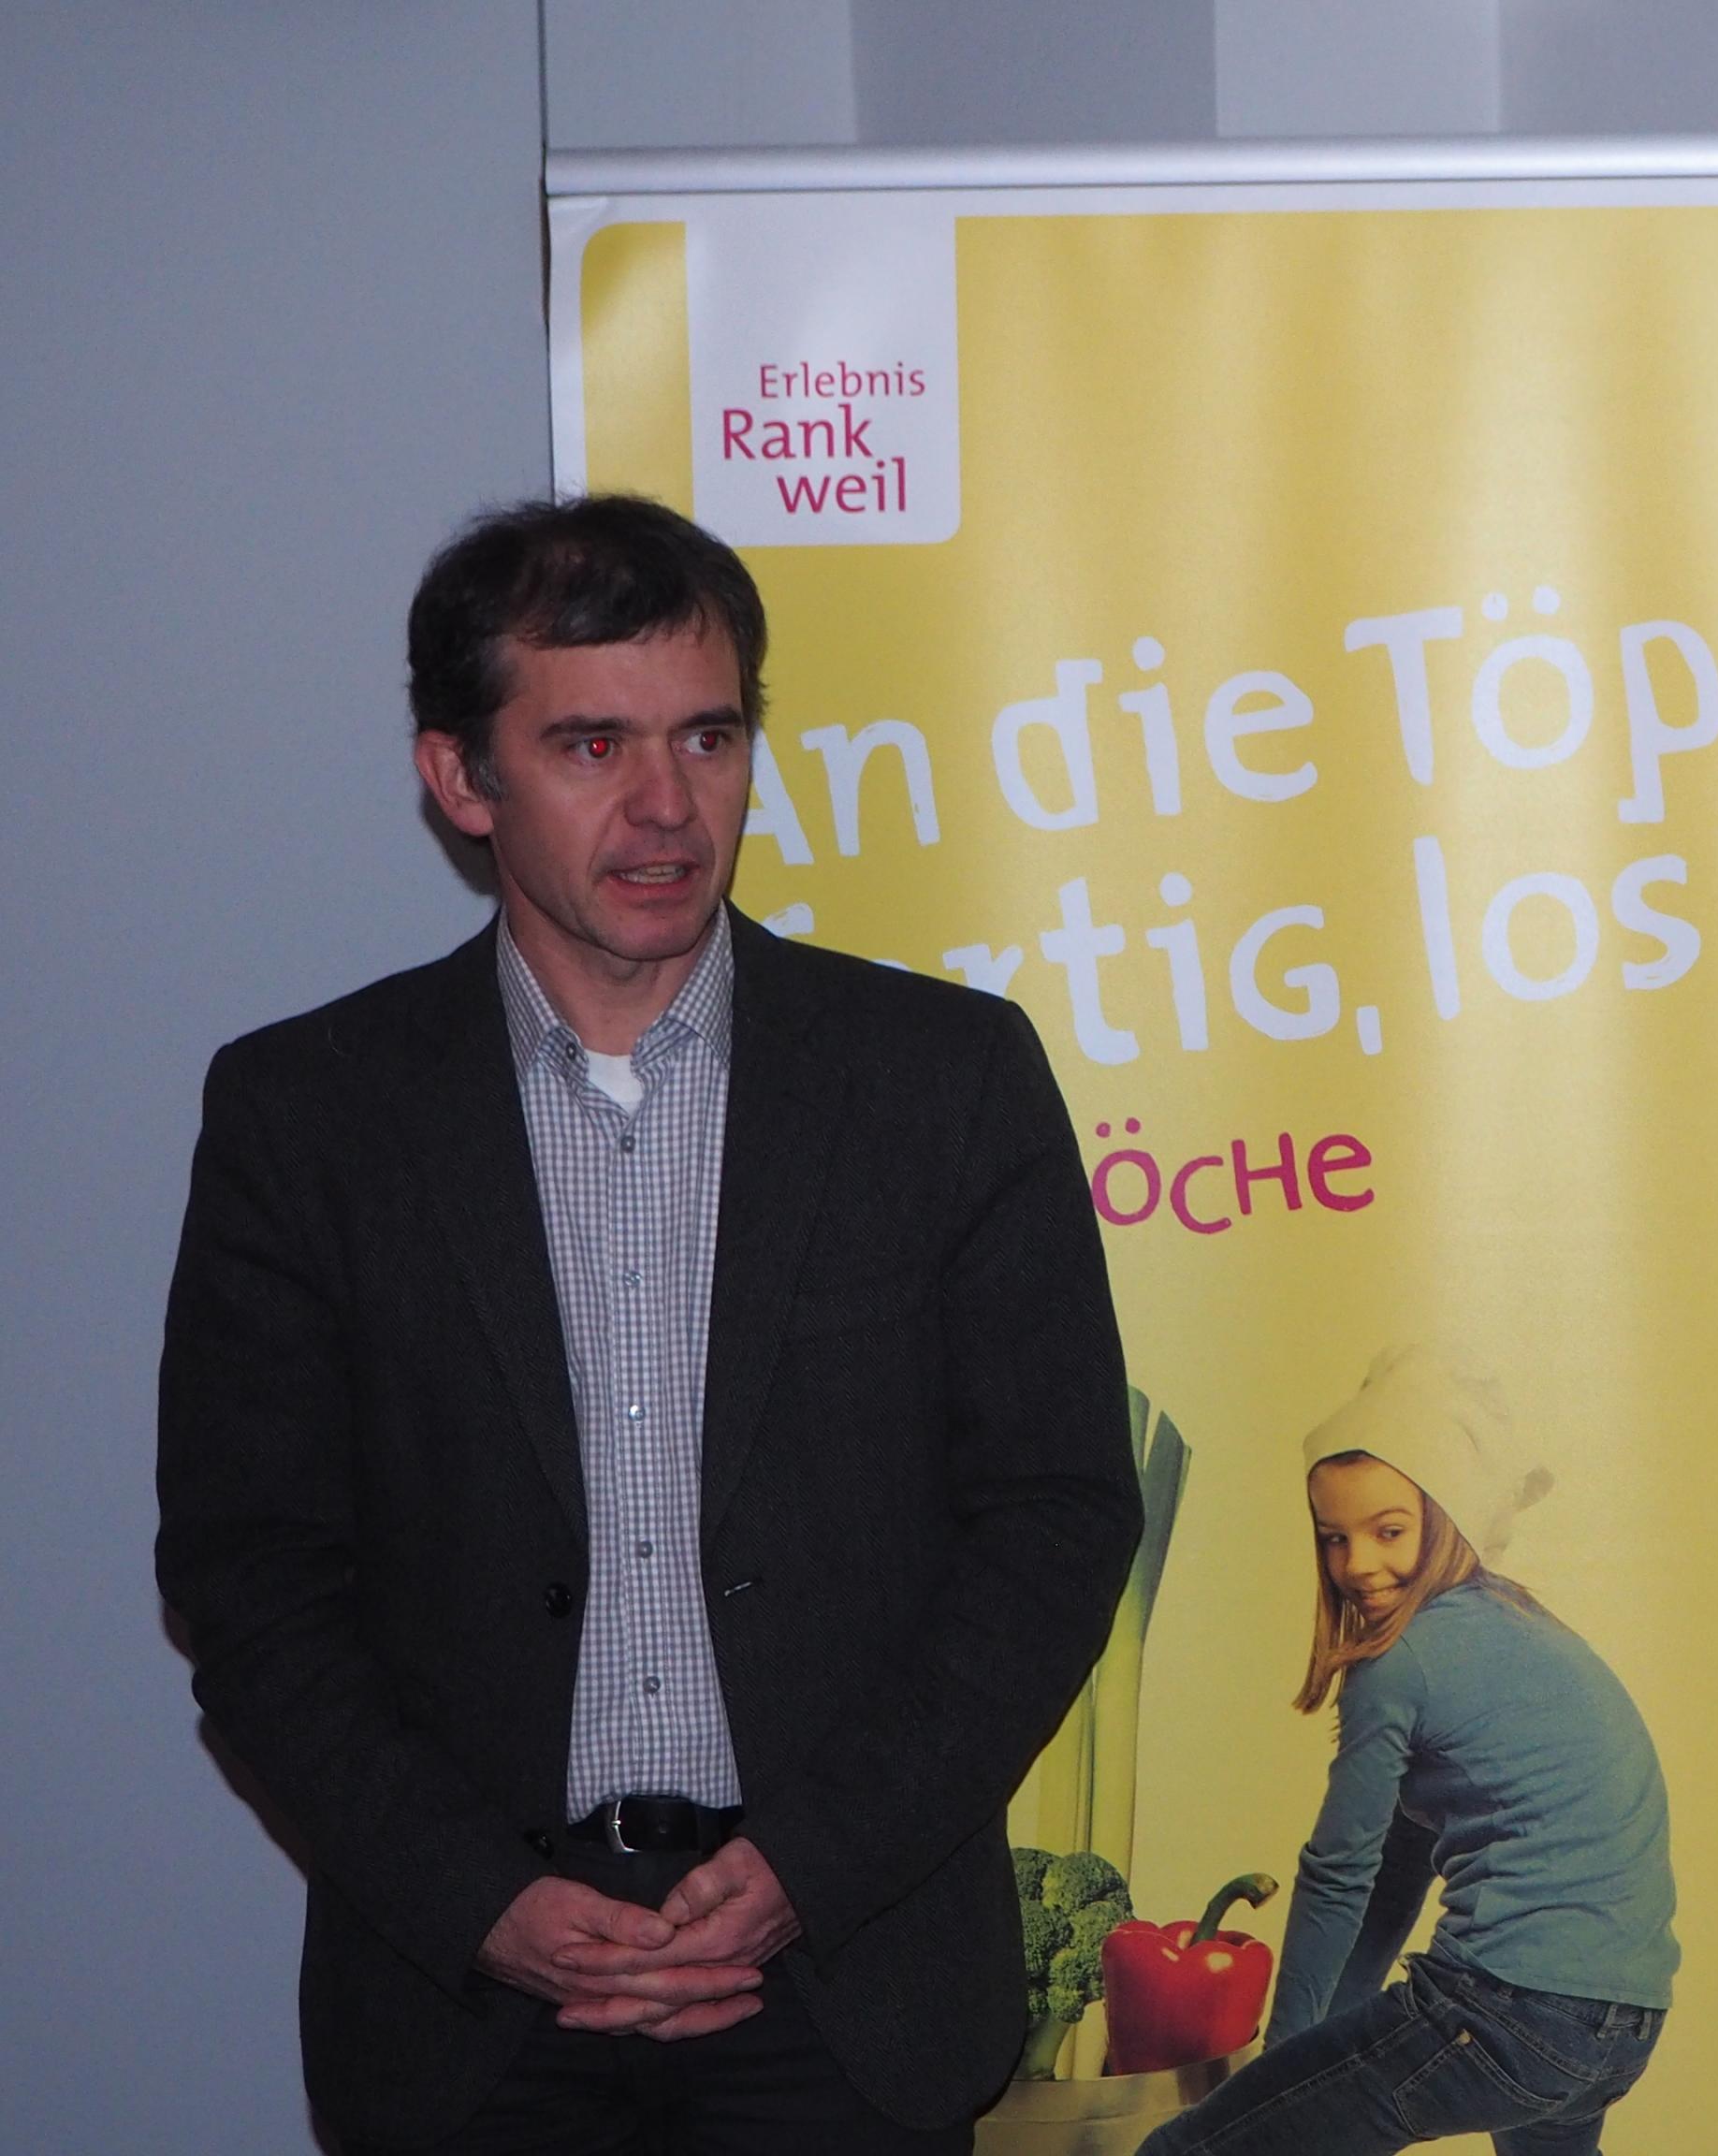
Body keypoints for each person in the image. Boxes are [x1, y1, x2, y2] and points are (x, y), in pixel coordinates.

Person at [153, 495, 1143, 2151]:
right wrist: (480, 1899)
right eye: (591, 744)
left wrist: (810, 1867)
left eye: (707, 736)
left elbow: (1055, 1516)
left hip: (844, 1988)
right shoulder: (309, 1115)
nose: (667, 805)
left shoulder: (943, 1080)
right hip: (471, 2018)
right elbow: (250, 1573)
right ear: (462, 776)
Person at [1143, 1349, 1676, 2156]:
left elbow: (1339, 1875)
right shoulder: (1525, 1632)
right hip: (1617, 2028)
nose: (1358, 1564)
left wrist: (1286, 2066)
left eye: (1388, 1531)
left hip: (1501, 2010)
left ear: (1447, 1516)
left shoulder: (1399, 1660)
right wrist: (1325, 2056)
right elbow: (1399, 1869)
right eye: (1334, 1538)